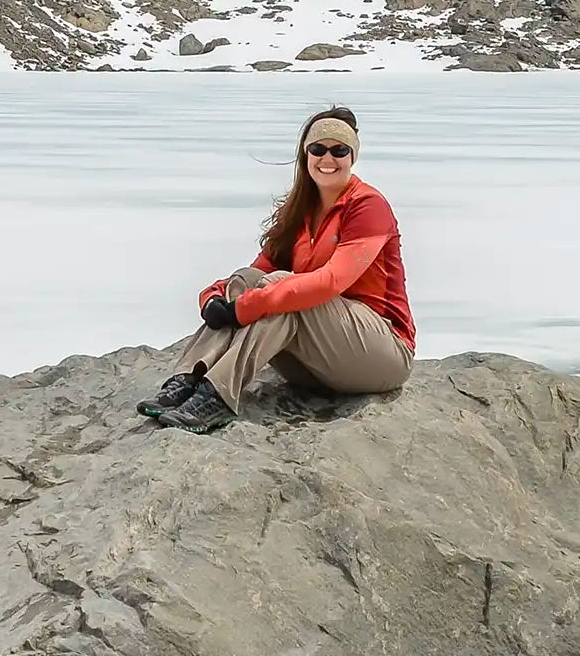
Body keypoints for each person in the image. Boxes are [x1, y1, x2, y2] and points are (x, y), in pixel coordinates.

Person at [140, 106, 414, 433]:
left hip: (380, 353)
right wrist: (214, 297)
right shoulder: (300, 210)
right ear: (305, 155)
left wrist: (248, 307)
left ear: (352, 156)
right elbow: (255, 274)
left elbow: (330, 282)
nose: (328, 158)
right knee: (248, 280)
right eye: (318, 149)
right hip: (317, 364)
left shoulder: (367, 206)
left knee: (280, 289)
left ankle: (218, 397)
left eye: (339, 150)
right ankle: (188, 378)